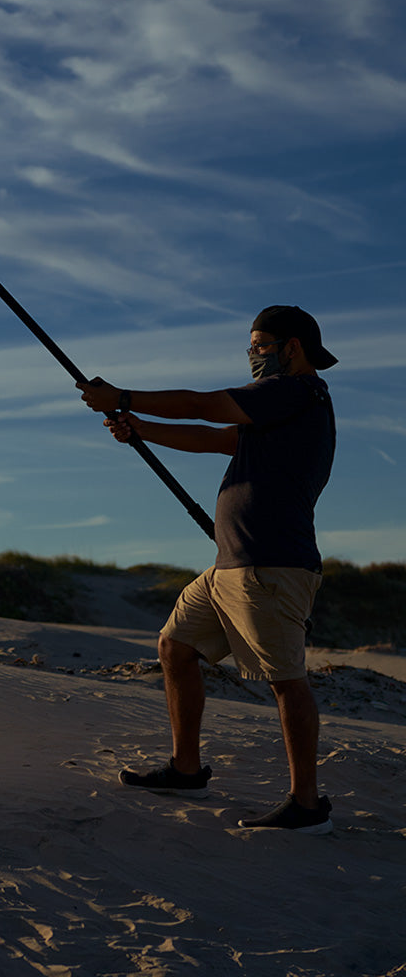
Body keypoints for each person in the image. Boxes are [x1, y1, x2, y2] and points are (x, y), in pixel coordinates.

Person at [78, 305, 337, 834]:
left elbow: (203, 406)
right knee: (175, 647)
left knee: (286, 680)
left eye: (262, 345)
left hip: (271, 564)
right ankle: (186, 770)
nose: (253, 355)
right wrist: (140, 428)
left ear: (293, 347)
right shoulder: (275, 412)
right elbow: (217, 438)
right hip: (231, 565)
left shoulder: (297, 392)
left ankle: (307, 806)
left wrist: (123, 397)